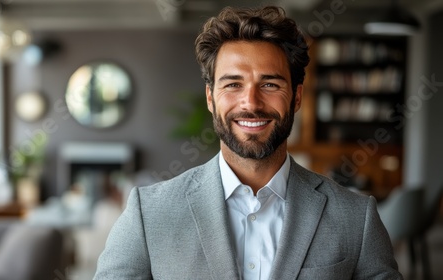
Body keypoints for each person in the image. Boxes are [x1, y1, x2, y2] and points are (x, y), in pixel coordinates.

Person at [94, 6, 402, 280]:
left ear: (296, 97)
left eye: (269, 84)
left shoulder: (356, 217)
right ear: (210, 98)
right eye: (233, 84)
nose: (251, 102)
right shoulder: (148, 214)